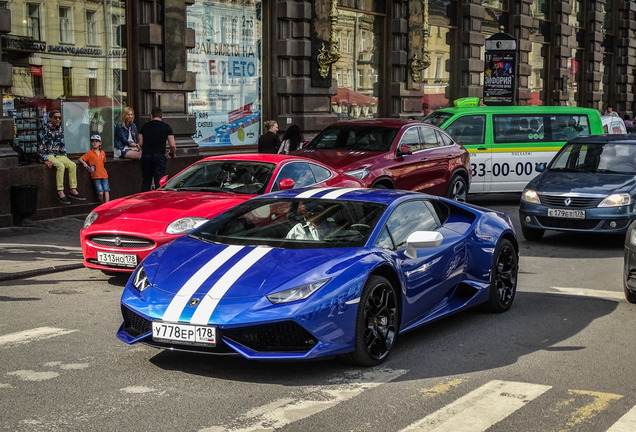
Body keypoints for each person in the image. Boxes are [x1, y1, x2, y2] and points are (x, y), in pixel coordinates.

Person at [38, 109, 85, 204]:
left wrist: (64, 156)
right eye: (55, 118)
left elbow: (62, 144)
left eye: (60, 118)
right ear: (50, 118)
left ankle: (73, 190)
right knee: (60, 166)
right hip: (48, 153)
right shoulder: (44, 129)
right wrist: (45, 159)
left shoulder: (60, 128)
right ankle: (60, 192)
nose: (58, 120)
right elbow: (40, 146)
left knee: (72, 165)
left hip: (58, 153)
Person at [139, 107, 177, 192]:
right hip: (159, 156)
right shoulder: (166, 127)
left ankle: (143, 200)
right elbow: (172, 145)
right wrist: (173, 154)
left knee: (146, 181)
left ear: (151, 116)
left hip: (146, 156)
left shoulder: (144, 126)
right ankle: (158, 200)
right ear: (161, 116)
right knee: (159, 181)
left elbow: (140, 143)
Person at [79, 135, 110, 203]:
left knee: (106, 190)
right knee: (100, 192)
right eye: (93, 142)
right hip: (96, 176)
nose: (95, 143)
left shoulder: (103, 153)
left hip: (104, 175)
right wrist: (84, 163)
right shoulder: (90, 153)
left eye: (96, 141)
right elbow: (81, 158)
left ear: (100, 143)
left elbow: (103, 162)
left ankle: (107, 205)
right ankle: (102, 203)